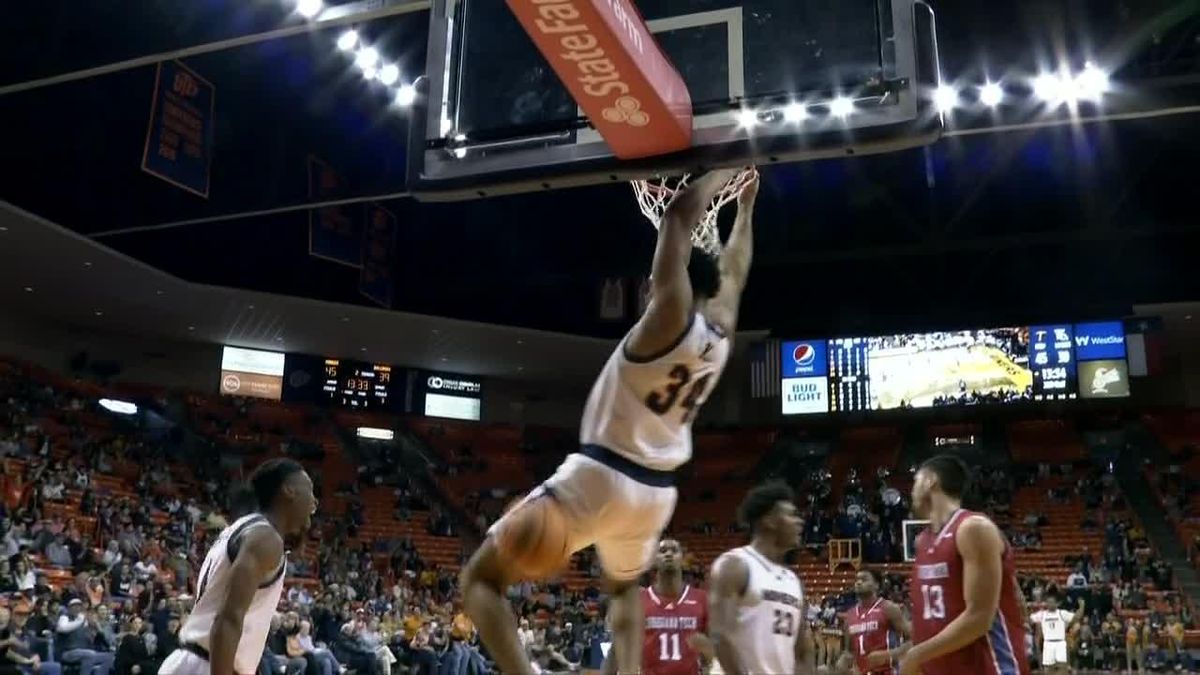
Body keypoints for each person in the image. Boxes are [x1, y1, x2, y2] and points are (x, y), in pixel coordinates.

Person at [461, 168, 760, 675]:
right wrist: (747, 208)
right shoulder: (722, 330)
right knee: (624, 588)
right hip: (655, 497)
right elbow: (736, 269)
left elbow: (679, 216)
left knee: (481, 581)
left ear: (671, 285)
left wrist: (729, 167)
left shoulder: (667, 317)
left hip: (602, 474)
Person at [158, 459, 318, 675]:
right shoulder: (265, 538)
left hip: (195, 661)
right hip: (208, 665)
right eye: (309, 491)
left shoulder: (241, 529)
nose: (314, 503)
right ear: (289, 490)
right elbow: (228, 619)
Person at [902, 455, 1029, 675]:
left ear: (930, 481)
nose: (912, 490)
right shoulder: (922, 541)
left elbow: (979, 618)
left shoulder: (972, 528)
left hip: (990, 668)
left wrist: (917, 655)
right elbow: (934, 622)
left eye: (916, 481)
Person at [708, 482, 814, 675]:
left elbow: (802, 651)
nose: (799, 522)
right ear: (769, 521)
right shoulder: (735, 565)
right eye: (791, 515)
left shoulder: (793, 581)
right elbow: (720, 635)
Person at [603, 539, 711, 675]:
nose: (669, 554)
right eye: (663, 551)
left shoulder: (701, 599)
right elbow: (616, 651)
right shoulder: (638, 602)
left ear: (683, 559)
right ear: (653, 560)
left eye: (674, 550)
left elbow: (714, 650)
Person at [832, 569, 910, 675]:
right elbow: (849, 652)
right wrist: (842, 662)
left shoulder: (889, 608)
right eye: (857, 580)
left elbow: (913, 641)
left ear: (876, 585)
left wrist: (889, 654)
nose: (858, 582)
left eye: (864, 579)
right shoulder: (849, 616)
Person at [1029, 591, 1083, 673]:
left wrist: (1082, 607)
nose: (1050, 604)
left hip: (1060, 643)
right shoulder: (1042, 614)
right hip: (1048, 643)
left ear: (1057, 603)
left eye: (1052, 602)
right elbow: (1029, 619)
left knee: (1062, 668)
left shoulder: (1062, 613)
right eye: (1048, 602)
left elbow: (1076, 617)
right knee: (1047, 670)